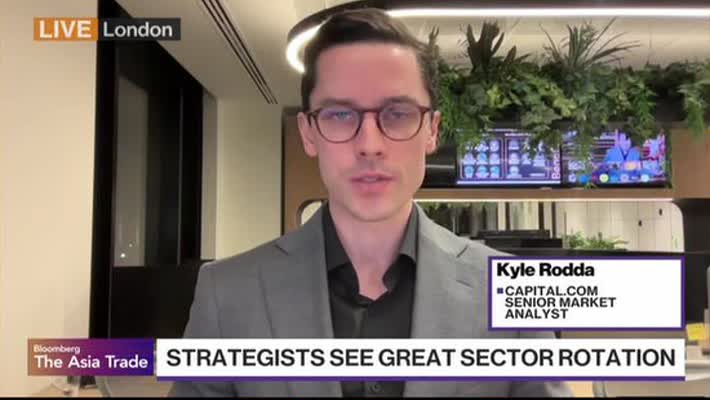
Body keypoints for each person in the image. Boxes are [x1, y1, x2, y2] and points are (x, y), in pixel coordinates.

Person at [169, 8, 571, 397]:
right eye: (340, 115)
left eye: (397, 113)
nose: (370, 145)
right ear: (308, 133)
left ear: (432, 131)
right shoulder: (227, 292)